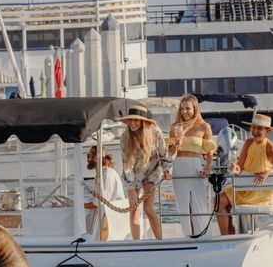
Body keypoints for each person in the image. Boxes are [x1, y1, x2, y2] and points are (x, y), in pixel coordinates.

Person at [216, 114, 273, 235]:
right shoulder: (248, 143)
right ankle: (227, 235)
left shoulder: (271, 148)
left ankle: (230, 235)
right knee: (218, 200)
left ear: (267, 131)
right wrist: (235, 168)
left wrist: (269, 171)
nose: (255, 131)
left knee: (224, 202)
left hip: (262, 192)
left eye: (259, 128)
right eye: (253, 128)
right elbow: (239, 168)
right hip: (245, 189)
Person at [119, 105, 172, 240]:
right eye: (130, 120)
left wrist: (166, 170)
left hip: (152, 171)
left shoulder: (155, 133)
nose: (132, 123)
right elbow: (126, 166)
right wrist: (131, 190)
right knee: (134, 209)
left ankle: (160, 240)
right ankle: (136, 243)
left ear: (143, 121)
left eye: (136, 120)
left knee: (148, 208)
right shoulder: (125, 138)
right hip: (134, 173)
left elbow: (164, 154)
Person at [168, 95, 216, 237]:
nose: (184, 112)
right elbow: (170, 151)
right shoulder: (175, 127)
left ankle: (202, 235)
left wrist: (208, 168)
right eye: (182, 109)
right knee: (183, 204)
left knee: (198, 202)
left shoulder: (204, 127)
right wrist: (175, 144)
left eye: (187, 108)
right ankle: (188, 236)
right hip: (179, 167)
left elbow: (209, 152)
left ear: (195, 108)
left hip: (195, 165)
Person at [84, 145, 125, 240]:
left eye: (88, 156)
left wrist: (78, 205)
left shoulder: (107, 175)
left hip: (108, 222)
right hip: (104, 217)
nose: (87, 159)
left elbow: (98, 203)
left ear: (95, 157)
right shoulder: (102, 174)